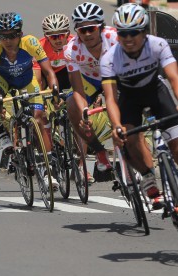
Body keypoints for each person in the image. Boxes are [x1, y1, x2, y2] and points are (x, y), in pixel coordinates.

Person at [102, 3, 177, 209]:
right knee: (129, 139)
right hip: (129, 98)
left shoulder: (158, 44)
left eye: (133, 33)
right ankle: (147, 178)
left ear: (144, 32)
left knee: (176, 143)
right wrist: (116, 125)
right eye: (123, 33)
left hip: (156, 92)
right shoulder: (109, 59)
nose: (128, 39)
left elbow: (173, 77)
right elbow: (110, 98)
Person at [0, 12, 59, 187]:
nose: (8, 40)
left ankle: (48, 172)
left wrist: (54, 91)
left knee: (39, 116)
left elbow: (49, 71)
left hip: (26, 79)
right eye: (3, 36)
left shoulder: (30, 42)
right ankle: (2, 136)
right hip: (4, 81)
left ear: (20, 34)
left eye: (13, 35)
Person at [64, 2, 117, 174]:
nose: (87, 34)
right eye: (81, 30)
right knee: (72, 105)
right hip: (90, 79)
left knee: (122, 107)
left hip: (114, 76)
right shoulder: (71, 50)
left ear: (101, 27)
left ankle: (129, 153)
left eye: (91, 29)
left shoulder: (114, 38)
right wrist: (85, 113)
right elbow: (78, 89)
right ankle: (99, 151)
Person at [34, 13, 73, 91]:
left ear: (67, 34)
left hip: (65, 73)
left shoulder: (75, 44)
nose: (58, 40)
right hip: (45, 73)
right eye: (53, 37)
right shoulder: (38, 47)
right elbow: (37, 79)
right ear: (46, 37)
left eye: (61, 35)